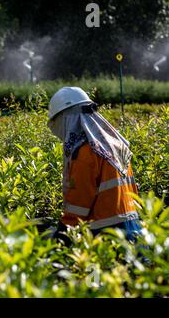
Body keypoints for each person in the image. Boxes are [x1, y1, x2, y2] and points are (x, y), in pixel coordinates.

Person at [47, 87, 143, 244]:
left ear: (66, 119)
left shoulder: (84, 152)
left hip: (106, 237)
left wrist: (62, 234)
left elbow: (78, 205)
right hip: (134, 229)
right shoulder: (114, 145)